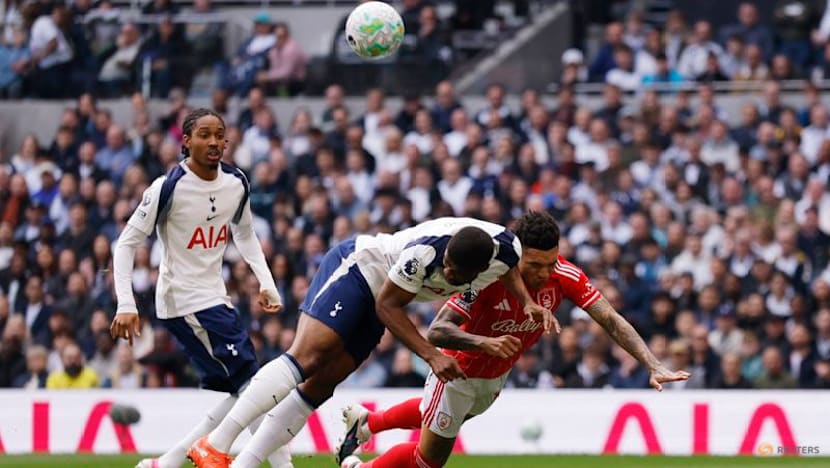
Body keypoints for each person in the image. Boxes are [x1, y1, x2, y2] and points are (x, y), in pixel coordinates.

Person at [188, 216, 553, 468]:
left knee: (321, 386)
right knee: (308, 358)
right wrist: (430, 355)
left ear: (478, 270)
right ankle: (216, 443)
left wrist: (527, 302)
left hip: (385, 295)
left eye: (456, 274)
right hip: (362, 270)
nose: (449, 275)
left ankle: (243, 464)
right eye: (448, 267)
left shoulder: (506, 252)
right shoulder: (425, 255)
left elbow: (507, 269)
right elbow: (388, 306)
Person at [337, 211, 690, 468]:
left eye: (551, 263)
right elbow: (439, 330)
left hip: (494, 379)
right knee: (428, 461)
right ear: (516, 256)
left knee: (436, 417)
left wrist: (652, 364)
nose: (545, 273)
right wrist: (485, 343)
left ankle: (367, 422)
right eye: (535, 264)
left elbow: (610, 319)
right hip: (457, 374)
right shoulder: (488, 277)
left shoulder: (563, 275)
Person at [109, 108, 288, 468]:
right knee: (255, 386)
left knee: (248, 389)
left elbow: (246, 234)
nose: (213, 142)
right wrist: (125, 303)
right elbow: (126, 244)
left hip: (215, 298)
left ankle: (169, 462)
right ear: (186, 141)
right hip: (182, 300)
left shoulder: (236, 182)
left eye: (219, 135)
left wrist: (267, 283)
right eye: (204, 135)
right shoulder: (168, 187)